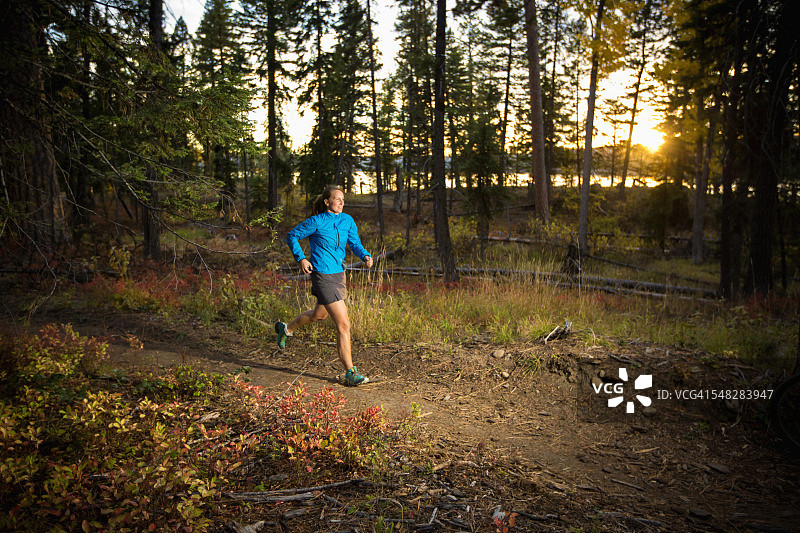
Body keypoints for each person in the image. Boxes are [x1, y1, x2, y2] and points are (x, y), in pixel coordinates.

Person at [275, 185, 374, 386]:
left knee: (319, 314)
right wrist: (301, 258)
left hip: (339, 274)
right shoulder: (317, 221)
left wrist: (364, 254)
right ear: (327, 201)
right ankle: (350, 372)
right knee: (344, 324)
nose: (341, 202)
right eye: (337, 199)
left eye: (343, 199)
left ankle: (285, 329)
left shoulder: (347, 220)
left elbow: (354, 242)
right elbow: (291, 235)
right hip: (322, 275)